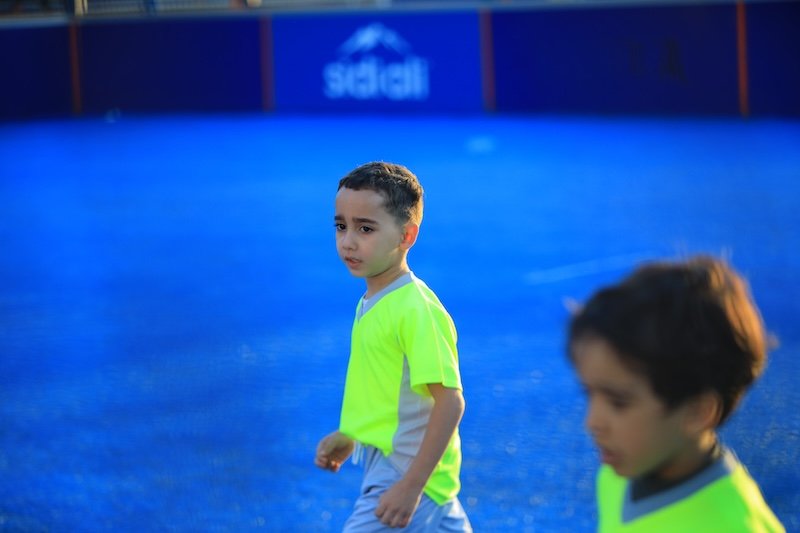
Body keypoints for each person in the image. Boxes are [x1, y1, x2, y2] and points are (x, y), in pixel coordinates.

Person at [567, 256, 784, 532]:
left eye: (618, 403)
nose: (592, 422)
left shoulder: (733, 526)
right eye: (589, 394)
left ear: (697, 412)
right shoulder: (619, 473)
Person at [315, 161, 472, 531]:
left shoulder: (417, 310)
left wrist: (411, 486)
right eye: (341, 226)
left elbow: (450, 402)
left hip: (408, 473)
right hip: (404, 472)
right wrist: (353, 434)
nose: (348, 241)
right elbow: (388, 391)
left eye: (365, 228)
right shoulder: (374, 301)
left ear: (406, 235)